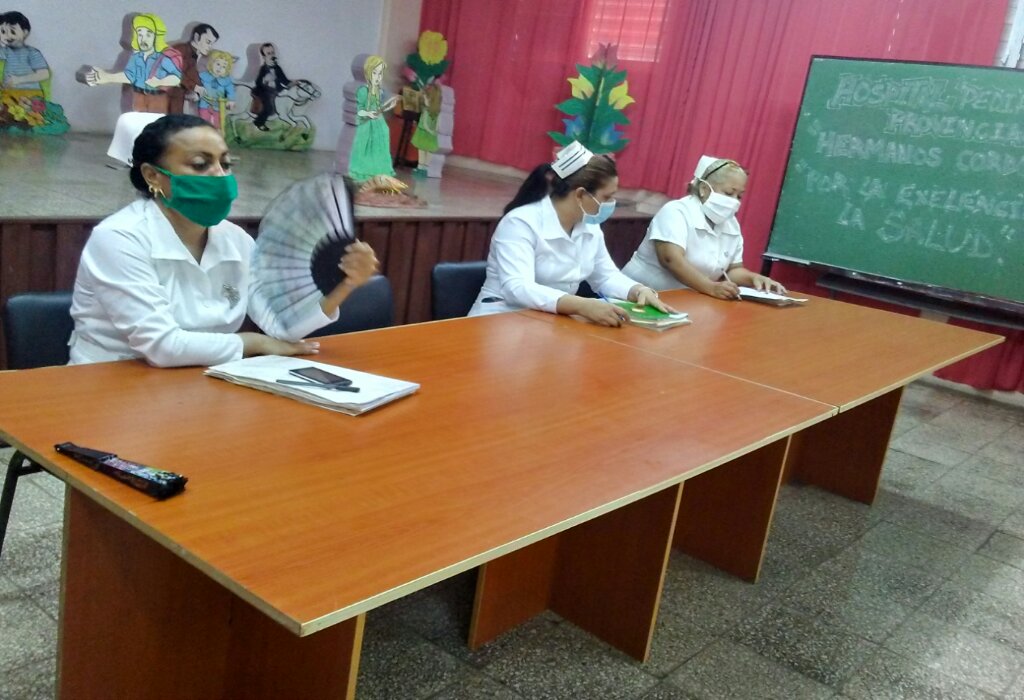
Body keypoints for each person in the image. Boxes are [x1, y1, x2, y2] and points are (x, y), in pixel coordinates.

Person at [68, 114, 379, 367]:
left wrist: (345, 284)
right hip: (108, 385)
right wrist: (253, 343)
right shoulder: (120, 238)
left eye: (226, 164)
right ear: (152, 176)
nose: (220, 175)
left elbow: (281, 325)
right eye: (201, 164)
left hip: (197, 384)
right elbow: (162, 346)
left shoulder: (235, 240)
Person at [468, 141, 675, 325]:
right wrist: (581, 306)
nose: (610, 205)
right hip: (501, 319)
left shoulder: (589, 227)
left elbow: (605, 276)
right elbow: (518, 288)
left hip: (550, 321)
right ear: (581, 194)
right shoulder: (520, 223)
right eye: (606, 197)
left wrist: (638, 290)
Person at [622, 156, 786, 300]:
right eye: (729, 193)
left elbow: (731, 271)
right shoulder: (676, 211)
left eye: (740, 196)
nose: (735, 201)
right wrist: (711, 288)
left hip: (687, 300)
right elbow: (670, 259)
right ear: (704, 189)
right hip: (640, 294)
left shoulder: (731, 224)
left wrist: (754, 278)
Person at [84, 13, 182, 113]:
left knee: (155, 125)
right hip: (138, 98)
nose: (143, 39)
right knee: (136, 124)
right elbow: (130, 75)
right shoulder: (136, 57)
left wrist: (160, 82)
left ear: (156, 36)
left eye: (148, 35)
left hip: (157, 99)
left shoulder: (164, 57)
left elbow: (176, 78)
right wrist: (107, 77)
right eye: (140, 34)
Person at [349, 55, 400, 181]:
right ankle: (364, 171)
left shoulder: (379, 91)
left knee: (382, 138)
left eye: (380, 74)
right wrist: (368, 114)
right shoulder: (362, 91)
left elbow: (380, 106)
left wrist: (389, 105)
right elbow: (359, 110)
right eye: (375, 73)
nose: (378, 77)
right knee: (365, 145)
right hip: (367, 124)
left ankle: (379, 170)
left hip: (379, 123)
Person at [167, 22, 220, 114]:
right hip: (166, 95)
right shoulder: (180, 50)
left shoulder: (195, 54)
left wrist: (198, 91)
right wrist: (195, 87)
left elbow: (192, 74)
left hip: (178, 96)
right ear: (196, 37)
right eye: (208, 42)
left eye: (212, 44)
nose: (210, 47)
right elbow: (174, 72)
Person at [0, 11, 49, 96]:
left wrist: (18, 80)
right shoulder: (5, 51)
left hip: (31, 93)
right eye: (3, 32)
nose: (7, 36)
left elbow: (44, 74)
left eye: (13, 32)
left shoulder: (32, 52)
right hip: (9, 93)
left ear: (25, 32)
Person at [251, 42, 289, 131]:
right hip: (264, 91)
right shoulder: (263, 69)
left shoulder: (277, 68)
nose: (272, 55)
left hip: (276, 90)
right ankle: (259, 122)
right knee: (268, 105)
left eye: (273, 53)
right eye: (268, 54)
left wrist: (293, 83)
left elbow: (284, 80)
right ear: (264, 57)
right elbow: (258, 82)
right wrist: (266, 80)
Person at [197, 49, 236, 129]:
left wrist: (231, 100)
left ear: (227, 69)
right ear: (212, 63)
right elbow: (197, 85)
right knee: (203, 123)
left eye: (224, 66)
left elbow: (231, 91)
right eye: (218, 64)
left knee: (218, 124)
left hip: (219, 106)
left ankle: (216, 135)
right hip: (204, 104)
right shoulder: (203, 76)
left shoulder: (226, 81)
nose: (220, 68)